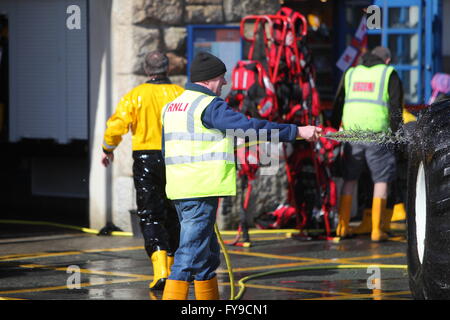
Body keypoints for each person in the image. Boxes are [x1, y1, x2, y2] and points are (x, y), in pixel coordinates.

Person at [161, 51, 322, 300]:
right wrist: (297, 131)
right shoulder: (209, 105)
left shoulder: (173, 106)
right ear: (208, 79)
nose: (225, 83)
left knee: (206, 255)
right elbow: (249, 127)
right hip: (200, 187)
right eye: (221, 77)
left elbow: (177, 146)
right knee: (190, 253)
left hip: (181, 187)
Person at [101, 51, 184, 290]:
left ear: (147, 70)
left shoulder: (135, 96)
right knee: (174, 214)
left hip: (147, 160)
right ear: (167, 69)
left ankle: (161, 272)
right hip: (176, 159)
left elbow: (117, 125)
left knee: (150, 214)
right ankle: (175, 269)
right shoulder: (180, 94)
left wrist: (108, 148)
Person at [331, 46, 403, 242]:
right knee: (381, 180)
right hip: (377, 135)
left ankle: (342, 227)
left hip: (351, 134)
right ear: (387, 60)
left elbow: (338, 102)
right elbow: (396, 108)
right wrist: (397, 136)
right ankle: (376, 231)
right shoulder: (389, 73)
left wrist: (332, 127)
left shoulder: (351, 73)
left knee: (350, 179)